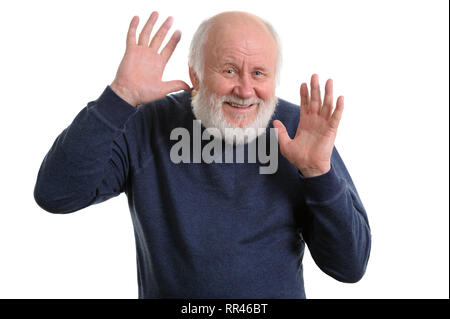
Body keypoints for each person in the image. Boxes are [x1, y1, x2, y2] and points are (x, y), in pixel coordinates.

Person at [34, 11, 371, 298]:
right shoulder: (147, 122)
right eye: (228, 70)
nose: (244, 89)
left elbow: (349, 266)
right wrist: (119, 98)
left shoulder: (299, 129)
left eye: (258, 73)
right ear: (195, 74)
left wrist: (318, 173)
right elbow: (56, 195)